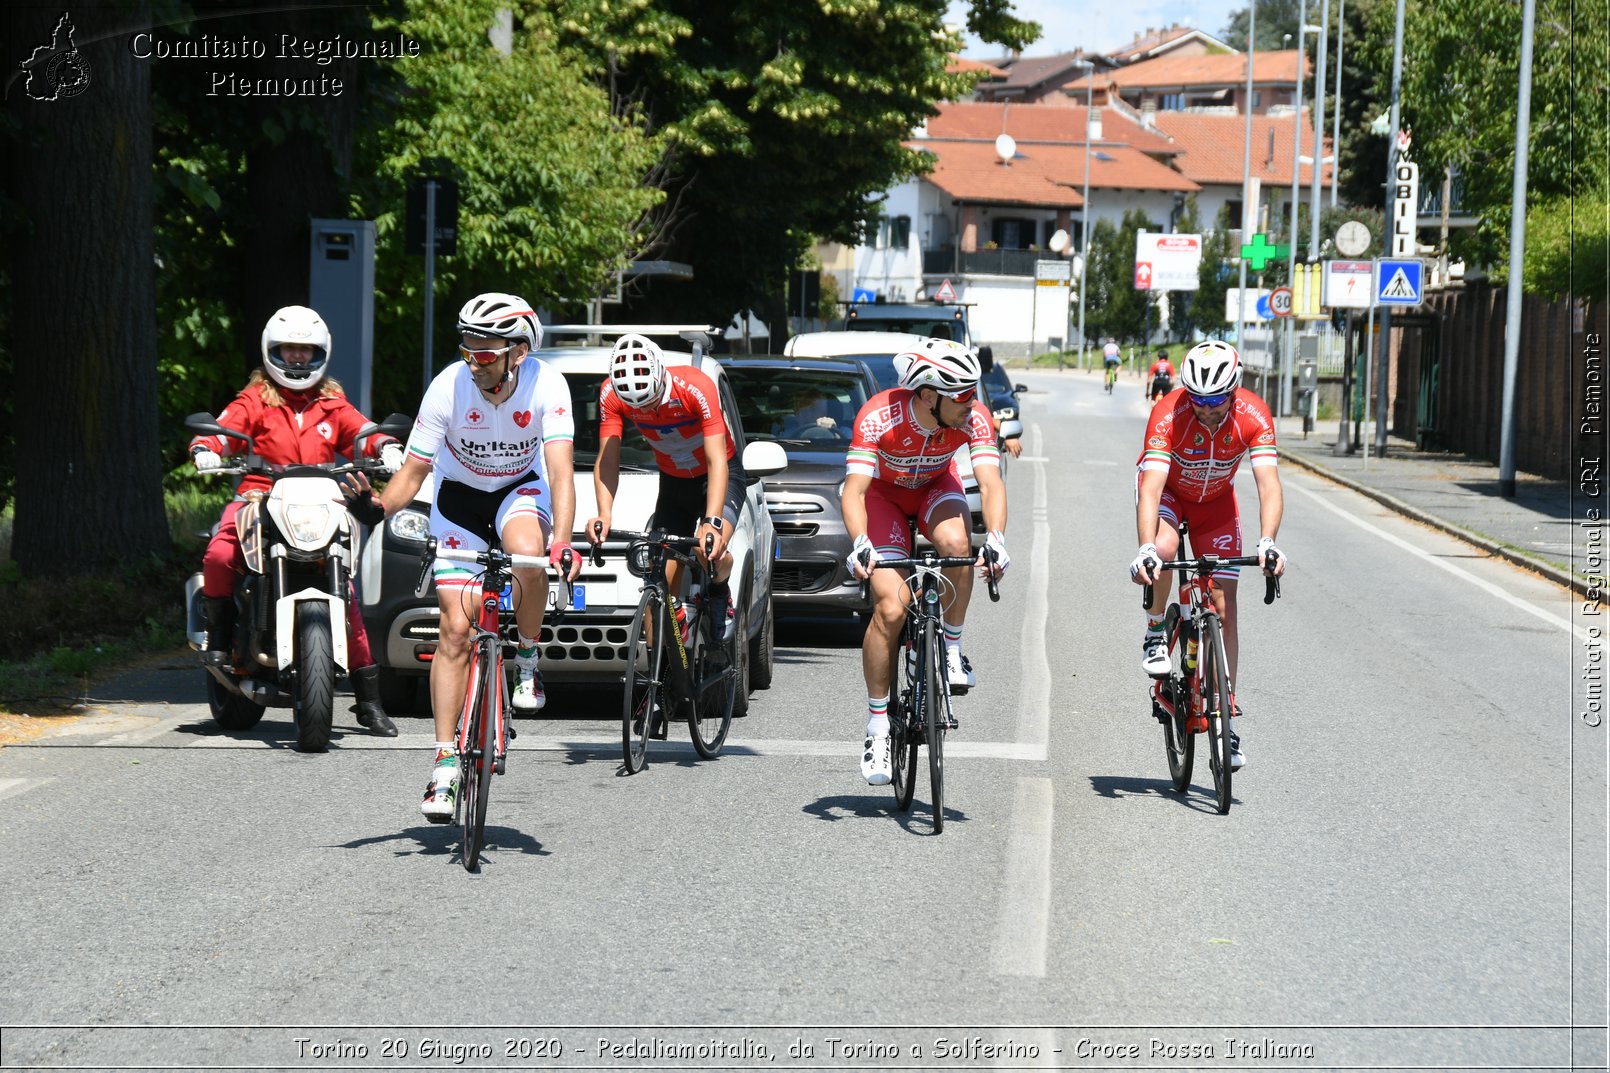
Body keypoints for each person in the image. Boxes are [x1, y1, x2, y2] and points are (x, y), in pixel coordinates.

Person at [376, 292, 580, 821]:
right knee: (455, 631)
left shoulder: (546, 384)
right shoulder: (448, 386)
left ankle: (528, 658)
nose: (474, 360)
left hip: (519, 492)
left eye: (485, 352)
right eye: (468, 348)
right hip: (459, 503)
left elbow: (560, 473)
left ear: (518, 352)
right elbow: (413, 474)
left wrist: (564, 539)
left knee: (528, 554)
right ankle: (445, 761)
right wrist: (372, 507)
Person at [189, 305, 403, 737]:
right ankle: (219, 637)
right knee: (219, 553)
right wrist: (206, 447)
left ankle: (368, 702)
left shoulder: (332, 404)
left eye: (307, 351)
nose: (299, 359)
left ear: (321, 354)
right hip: (259, 496)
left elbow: (366, 431)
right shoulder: (255, 400)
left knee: (347, 594)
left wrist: (386, 447)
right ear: (273, 352)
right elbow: (223, 431)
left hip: (322, 500)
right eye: (290, 350)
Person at [841, 338, 1008, 786]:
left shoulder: (974, 418)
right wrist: (860, 542)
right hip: (884, 499)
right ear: (929, 395)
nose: (972, 403)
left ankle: (951, 648)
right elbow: (854, 490)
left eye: (974, 392)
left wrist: (995, 538)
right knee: (891, 608)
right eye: (962, 396)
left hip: (936, 488)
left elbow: (989, 483)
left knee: (958, 544)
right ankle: (878, 727)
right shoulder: (879, 415)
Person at [1128, 340, 1287, 770]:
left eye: (1216, 400)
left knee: (1224, 605)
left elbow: (1267, 484)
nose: (1206, 409)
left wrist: (1268, 540)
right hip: (1171, 498)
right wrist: (1145, 548)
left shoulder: (1254, 416)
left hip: (1216, 504)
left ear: (1234, 391)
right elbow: (1151, 487)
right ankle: (1156, 630)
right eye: (1198, 399)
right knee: (1164, 549)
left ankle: (1223, 718)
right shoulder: (1169, 413)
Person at [587, 334, 741, 652]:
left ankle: (719, 590)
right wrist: (603, 513)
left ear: (660, 377)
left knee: (706, 548)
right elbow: (608, 460)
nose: (646, 410)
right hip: (674, 483)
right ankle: (663, 686)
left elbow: (716, 459)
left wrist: (712, 520)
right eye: (636, 407)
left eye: (651, 401)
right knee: (658, 586)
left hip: (717, 475)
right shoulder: (611, 394)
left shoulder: (695, 386)